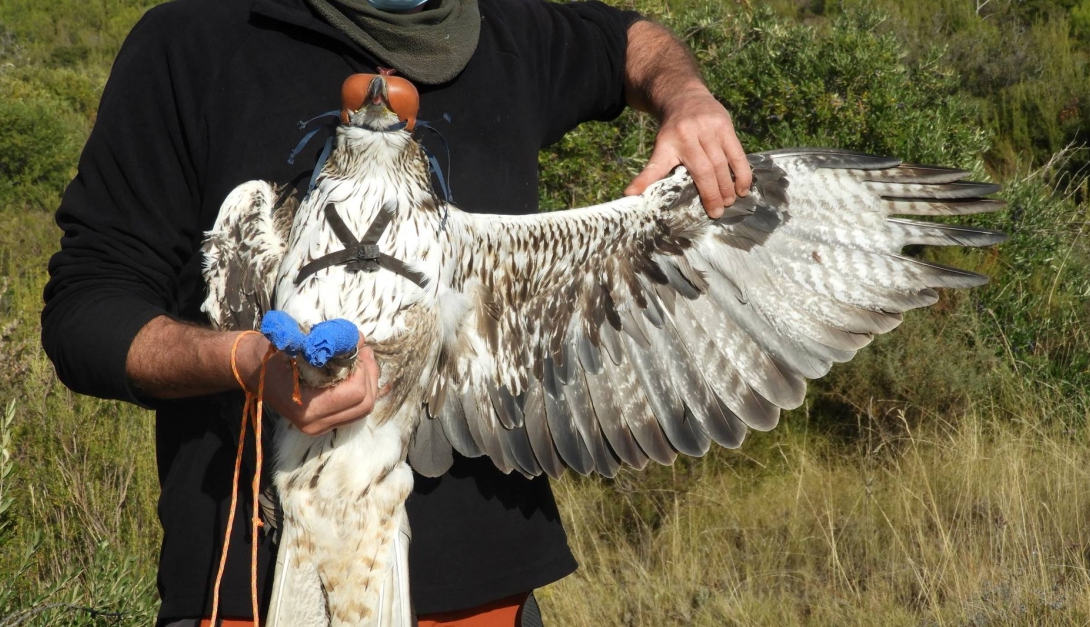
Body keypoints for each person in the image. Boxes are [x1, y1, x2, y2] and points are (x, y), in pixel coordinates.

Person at [40, 0, 750, 624]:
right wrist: (243, 360)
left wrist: (686, 96)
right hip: (251, 584)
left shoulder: (508, 31)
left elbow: (626, 39)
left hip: (481, 597)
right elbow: (84, 306)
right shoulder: (193, 38)